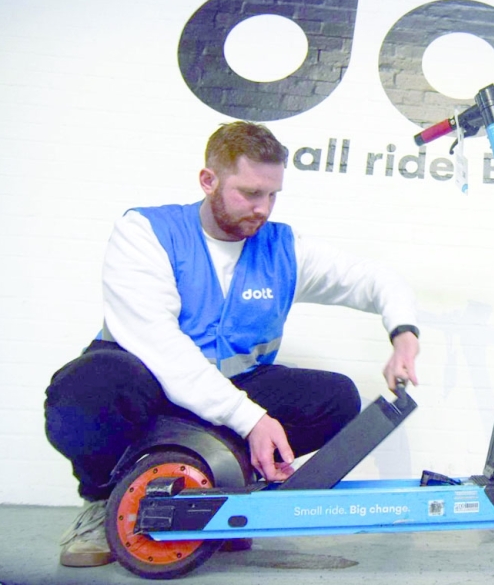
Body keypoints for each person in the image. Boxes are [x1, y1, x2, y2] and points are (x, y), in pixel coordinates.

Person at [44, 121, 420, 568]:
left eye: (272, 195)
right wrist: (250, 419)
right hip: (151, 392)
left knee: (335, 397)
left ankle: (219, 494)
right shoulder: (145, 233)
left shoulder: (283, 248)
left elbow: (377, 280)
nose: (262, 209)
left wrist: (404, 335)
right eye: (249, 193)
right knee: (88, 386)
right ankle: (103, 501)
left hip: (225, 396)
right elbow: (161, 346)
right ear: (209, 181)